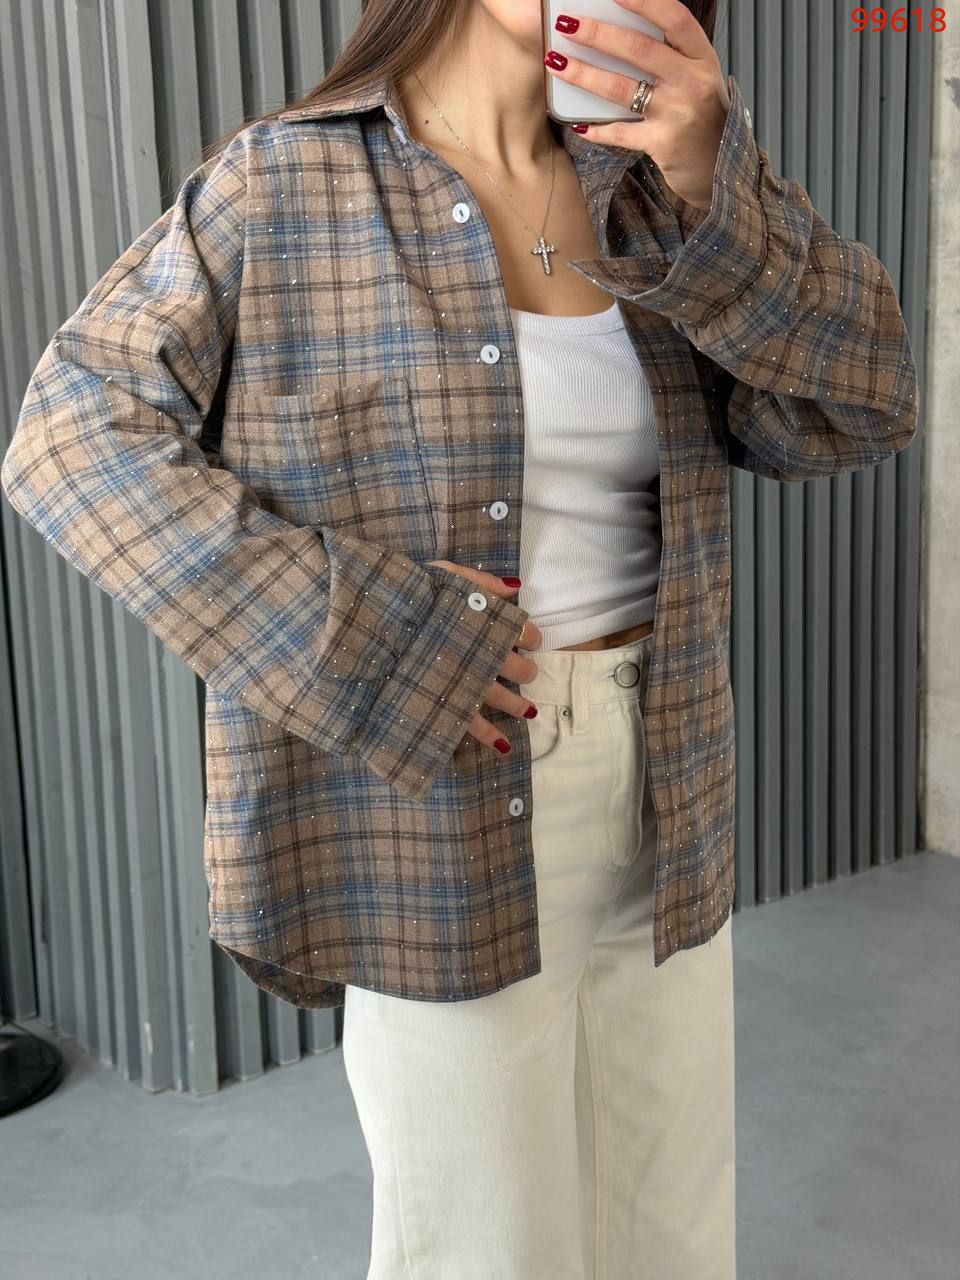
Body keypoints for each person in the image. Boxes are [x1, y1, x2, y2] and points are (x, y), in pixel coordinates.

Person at [0, 1, 919, 1276]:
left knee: (673, 1231)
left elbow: (863, 405)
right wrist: (369, 638)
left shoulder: (656, 187)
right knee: (486, 1247)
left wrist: (721, 188)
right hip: (441, 793)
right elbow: (68, 439)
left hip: (669, 773)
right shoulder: (286, 183)